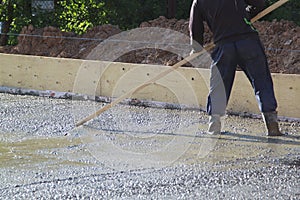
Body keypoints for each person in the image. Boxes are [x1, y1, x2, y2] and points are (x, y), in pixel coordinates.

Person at [189, 0, 283, 136]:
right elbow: (260, 3)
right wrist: (247, 13)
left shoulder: (199, 2)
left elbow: (195, 28)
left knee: (219, 86)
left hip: (224, 45)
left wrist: (196, 49)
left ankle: (214, 125)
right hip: (248, 42)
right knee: (262, 82)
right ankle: (272, 126)